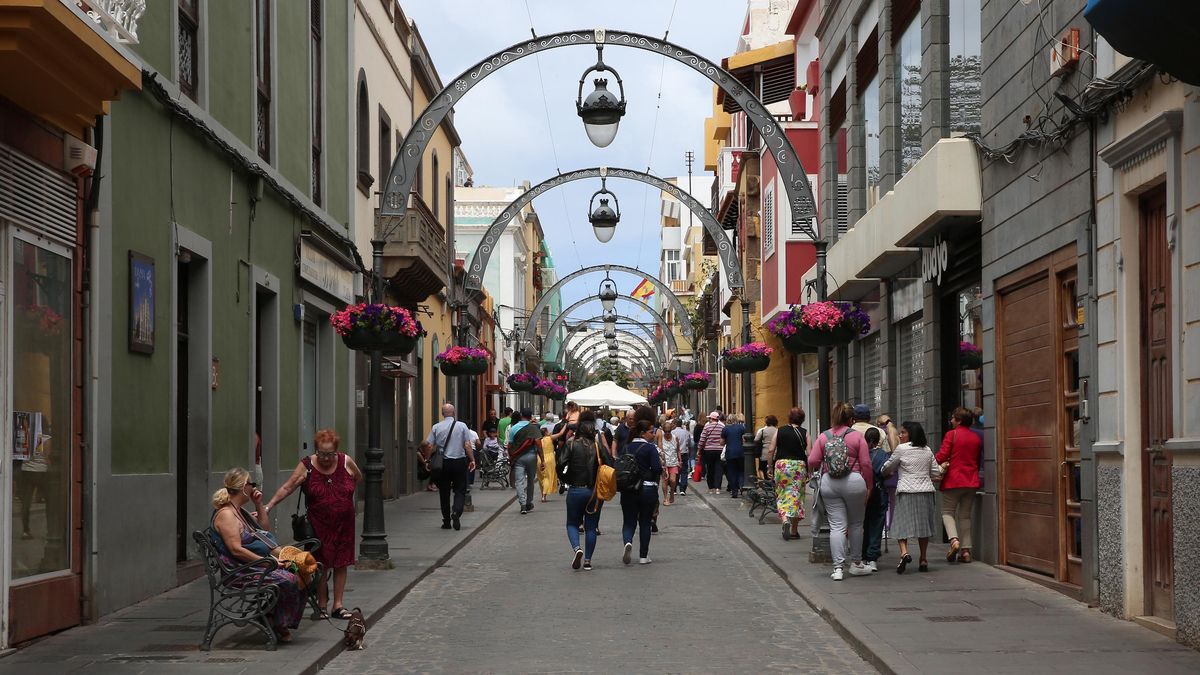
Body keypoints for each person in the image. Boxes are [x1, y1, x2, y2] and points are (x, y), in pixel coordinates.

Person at [265, 429, 361, 619]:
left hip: (344, 523)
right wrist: (268, 506)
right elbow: (288, 487)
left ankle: (338, 606)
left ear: (336, 450)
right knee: (320, 563)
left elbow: (357, 477)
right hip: (318, 523)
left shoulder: (345, 461)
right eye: (322, 454)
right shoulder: (307, 465)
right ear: (316, 450)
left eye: (330, 454)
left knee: (341, 562)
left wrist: (345, 496)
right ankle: (322, 605)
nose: (326, 458)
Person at [210, 468, 304, 642]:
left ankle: (270, 616)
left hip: (252, 565)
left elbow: (264, 530)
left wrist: (259, 504)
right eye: (251, 484)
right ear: (243, 487)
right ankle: (278, 623)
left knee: (303, 570)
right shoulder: (227, 515)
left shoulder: (239, 511)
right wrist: (267, 562)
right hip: (239, 571)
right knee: (291, 579)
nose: (254, 487)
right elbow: (236, 550)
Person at [808, 402, 873, 581]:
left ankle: (838, 569)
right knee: (856, 524)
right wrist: (869, 485)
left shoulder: (824, 436)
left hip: (830, 483)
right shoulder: (857, 437)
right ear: (851, 419)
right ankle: (856, 563)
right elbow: (866, 464)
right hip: (854, 481)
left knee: (836, 526)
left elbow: (812, 460)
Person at [882, 421, 941, 573]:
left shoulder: (901, 449)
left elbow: (888, 466)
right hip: (926, 492)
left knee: (901, 524)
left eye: (903, 432)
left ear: (911, 434)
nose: (900, 435)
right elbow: (936, 472)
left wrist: (884, 471)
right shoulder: (927, 450)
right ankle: (923, 559)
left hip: (906, 491)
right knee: (923, 527)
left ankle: (904, 553)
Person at [561, 411, 609, 570]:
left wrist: (567, 479)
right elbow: (609, 464)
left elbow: (560, 465)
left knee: (572, 523)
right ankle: (588, 560)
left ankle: (577, 548)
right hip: (593, 491)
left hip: (575, 489)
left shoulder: (571, 444)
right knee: (591, 527)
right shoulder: (597, 446)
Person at [937, 407, 983, 563]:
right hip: (971, 481)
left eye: (953, 418)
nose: (951, 421)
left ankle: (954, 540)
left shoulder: (952, 434)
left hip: (954, 480)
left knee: (947, 512)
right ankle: (966, 551)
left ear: (959, 421)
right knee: (965, 516)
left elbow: (942, 455)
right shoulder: (976, 437)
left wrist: (934, 462)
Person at [421, 404, 477, 530]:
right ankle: (456, 512)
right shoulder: (462, 426)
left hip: (443, 464)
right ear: (454, 412)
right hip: (459, 462)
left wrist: (427, 460)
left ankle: (446, 521)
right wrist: (472, 460)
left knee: (444, 492)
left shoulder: (436, 427)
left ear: (442, 414)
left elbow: (429, 446)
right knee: (460, 490)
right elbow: (467, 445)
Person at [620, 419, 663, 565]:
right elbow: (657, 469)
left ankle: (627, 542)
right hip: (647, 488)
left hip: (629, 489)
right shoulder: (650, 448)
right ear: (643, 433)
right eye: (651, 432)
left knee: (628, 521)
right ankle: (643, 556)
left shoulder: (626, 447)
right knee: (645, 522)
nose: (653, 434)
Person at [764, 407, 808, 541]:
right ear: (802, 419)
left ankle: (784, 519)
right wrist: (810, 471)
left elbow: (771, 450)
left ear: (789, 418)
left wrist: (769, 467)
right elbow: (810, 453)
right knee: (796, 496)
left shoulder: (780, 430)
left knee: (782, 494)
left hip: (782, 465)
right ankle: (794, 531)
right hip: (799, 466)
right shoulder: (805, 433)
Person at [861, 427, 889, 572]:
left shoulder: (861, 453)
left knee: (862, 524)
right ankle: (872, 558)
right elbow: (887, 472)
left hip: (862, 491)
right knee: (877, 525)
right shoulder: (883, 455)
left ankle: (863, 555)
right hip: (879, 492)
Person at [508, 409, 542, 514]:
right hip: (531, 456)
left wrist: (511, 456)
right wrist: (543, 459)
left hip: (518, 458)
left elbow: (509, 445)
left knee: (519, 481)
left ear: (521, 415)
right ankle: (528, 502)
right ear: (530, 416)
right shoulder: (533, 428)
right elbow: (538, 444)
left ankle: (522, 504)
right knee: (531, 480)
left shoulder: (513, 428)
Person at [697, 411, 725, 494]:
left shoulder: (707, 427)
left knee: (710, 469)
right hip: (719, 450)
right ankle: (718, 488)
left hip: (709, 451)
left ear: (711, 418)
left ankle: (711, 487)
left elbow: (702, 439)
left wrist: (699, 449)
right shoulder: (722, 427)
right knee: (719, 469)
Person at [722, 413, 747, 498]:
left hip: (730, 453)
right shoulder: (741, 427)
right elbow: (745, 439)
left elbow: (721, 442)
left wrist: (727, 440)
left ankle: (734, 491)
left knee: (731, 472)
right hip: (740, 452)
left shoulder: (725, 429)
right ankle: (741, 485)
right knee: (741, 470)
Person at [657, 419, 681, 505]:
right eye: (666, 431)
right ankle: (665, 498)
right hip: (664, 463)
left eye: (669, 431)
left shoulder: (675, 438)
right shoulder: (661, 438)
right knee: (665, 480)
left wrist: (680, 460)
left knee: (673, 480)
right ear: (663, 430)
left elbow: (678, 450)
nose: (667, 433)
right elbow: (659, 450)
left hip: (674, 462)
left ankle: (672, 492)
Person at [752, 416, 778, 480]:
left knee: (765, 471)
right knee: (775, 472)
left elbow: (756, 440)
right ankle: (773, 483)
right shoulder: (778, 430)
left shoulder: (763, 431)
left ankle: (767, 484)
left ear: (766, 422)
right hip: (776, 454)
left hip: (765, 454)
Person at [671, 417, 692, 496]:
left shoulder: (672, 432)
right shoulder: (686, 432)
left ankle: (674, 489)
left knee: (675, 471)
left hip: (675, 454)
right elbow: (689, 443)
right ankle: (683, 489)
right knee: (684, 472)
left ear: (675, 424)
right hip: (684, 453)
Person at [537, 426, 558, 502]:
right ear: (546, 432)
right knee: (547, 478)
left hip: (539, 459)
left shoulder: (538, 440)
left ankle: (543, 494)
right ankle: (544, 495)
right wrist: (566, 424)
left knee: (541, 478)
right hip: (549, 459)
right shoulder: (550, 438)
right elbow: (561, 433)